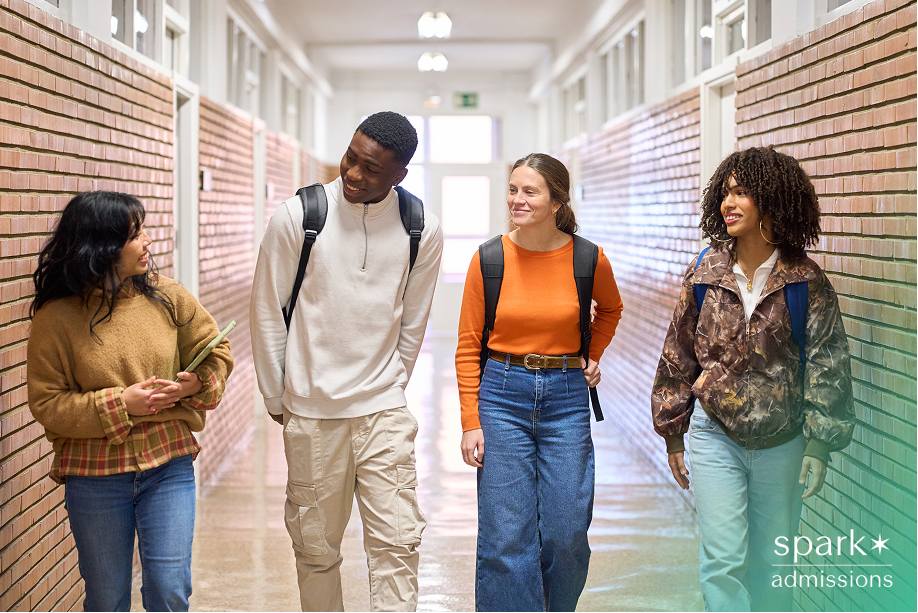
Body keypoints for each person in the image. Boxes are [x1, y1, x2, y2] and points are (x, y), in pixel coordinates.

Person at [250, 111, 443, 612]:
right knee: (315, 550)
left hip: (382, 410)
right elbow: (269, 310)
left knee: (398, 545)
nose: (354, 175)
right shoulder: (299, 216)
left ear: (400, 175)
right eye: (350, 159)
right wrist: (278, 396)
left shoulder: (420, 228)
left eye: (371, 169)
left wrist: (389, 383)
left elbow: (412, 323)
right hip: (313, 412)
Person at [651, 147, 854, 611]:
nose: (729, 203)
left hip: (782, 443)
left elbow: (828, 364)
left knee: (774, 564)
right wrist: (673, 435)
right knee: (722, 560)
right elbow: (677, 355)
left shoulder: (805, 280)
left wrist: (819, 445)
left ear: (773, 202)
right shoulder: (705, 272)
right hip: (714, 434)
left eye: (742, 193)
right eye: (725, 193)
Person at [26, 191, 234, 612]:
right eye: (135, 234)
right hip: (94, 475)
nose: (148, 242)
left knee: (169, 589)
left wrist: (192, 385)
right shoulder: (57, 318)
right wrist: (121, 404)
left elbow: (218, 350)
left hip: (168, 465)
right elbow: (47, 403)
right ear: (101, 245)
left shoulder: (168, 296)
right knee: (106, 599)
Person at [455, 153, 624, 612]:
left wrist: (592, 355)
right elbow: (469, 346)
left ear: (556, 201)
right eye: (512, 189)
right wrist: (471, 420)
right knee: (506, 535)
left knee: (566, 530)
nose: (517, 199)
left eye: (529, 191)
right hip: (501, 395)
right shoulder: (489, 259)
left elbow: (610, 310)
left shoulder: (588, 258)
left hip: (566, 399)